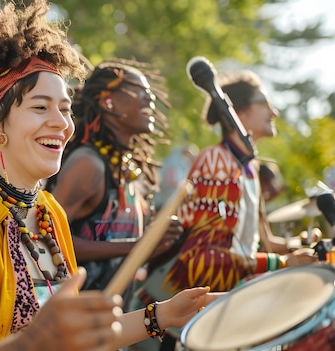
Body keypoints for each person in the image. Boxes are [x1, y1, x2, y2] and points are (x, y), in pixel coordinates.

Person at [0, 1, 220, 350]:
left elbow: (75, 336)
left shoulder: (51, 212)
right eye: (40, 107)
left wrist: (163, 315)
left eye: (65, 109)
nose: (61, 123)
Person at [129, 70, 315, 351]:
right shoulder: (217, 163)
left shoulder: (249, 167)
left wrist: (303, 248)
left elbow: (262, 243)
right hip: (169, 324)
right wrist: (282, 264)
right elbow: (204, 258)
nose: (274, 112)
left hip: (207, 313)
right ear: (238, 110)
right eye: (264, 103)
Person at [46, 59, 181, 298]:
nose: (149, 99)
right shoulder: (88, 164)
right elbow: (49, 238)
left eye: (149, 92)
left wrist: (165, 240)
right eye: (139, 91)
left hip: (114, 322)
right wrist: (140, 246)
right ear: (108, 102)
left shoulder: (132, 172)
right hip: (72, 320)